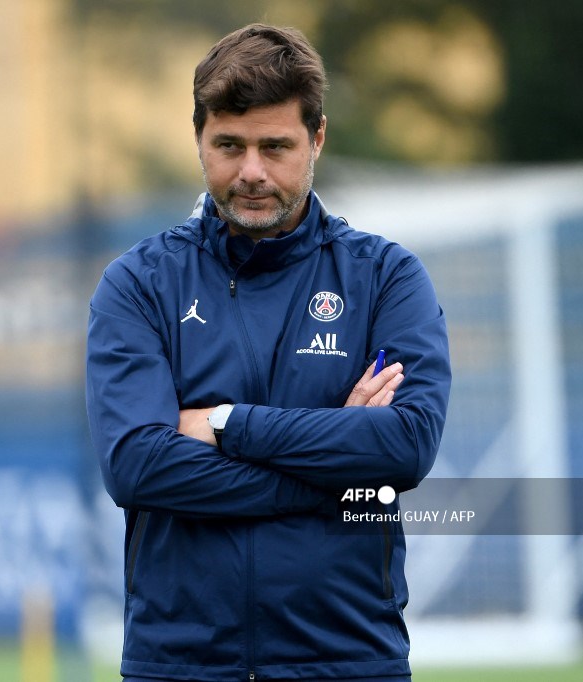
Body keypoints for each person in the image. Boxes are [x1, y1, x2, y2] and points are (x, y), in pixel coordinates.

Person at [85, 23, 451, 682]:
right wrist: (333, 470)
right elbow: (137, 466)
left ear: (317, 139)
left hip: (347, 659)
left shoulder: (385, 278)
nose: (252, 171)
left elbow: (405, 446)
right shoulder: (139, 283)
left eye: (275, 147)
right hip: (179, 662)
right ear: (198, 138)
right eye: (229, 145)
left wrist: (226, 424)